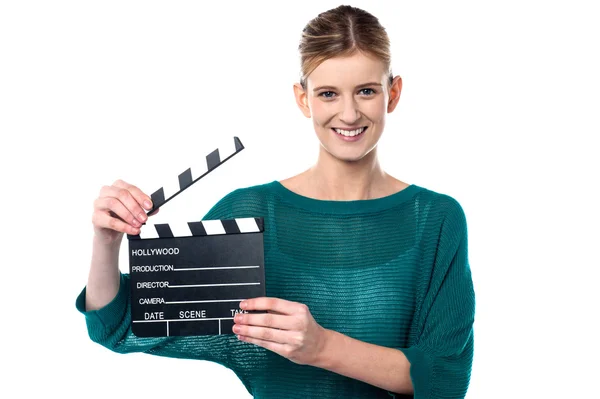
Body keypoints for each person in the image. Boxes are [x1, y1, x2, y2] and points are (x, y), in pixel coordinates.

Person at [76, 5, 475, 398]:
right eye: (328, 93)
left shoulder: (436, 220)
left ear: (394, 92)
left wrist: (322, 348)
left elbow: (444, 378)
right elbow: (120, 325)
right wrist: (106, 243)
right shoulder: (250, 216)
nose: (349, 113)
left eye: (366, 91)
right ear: (303, 99)